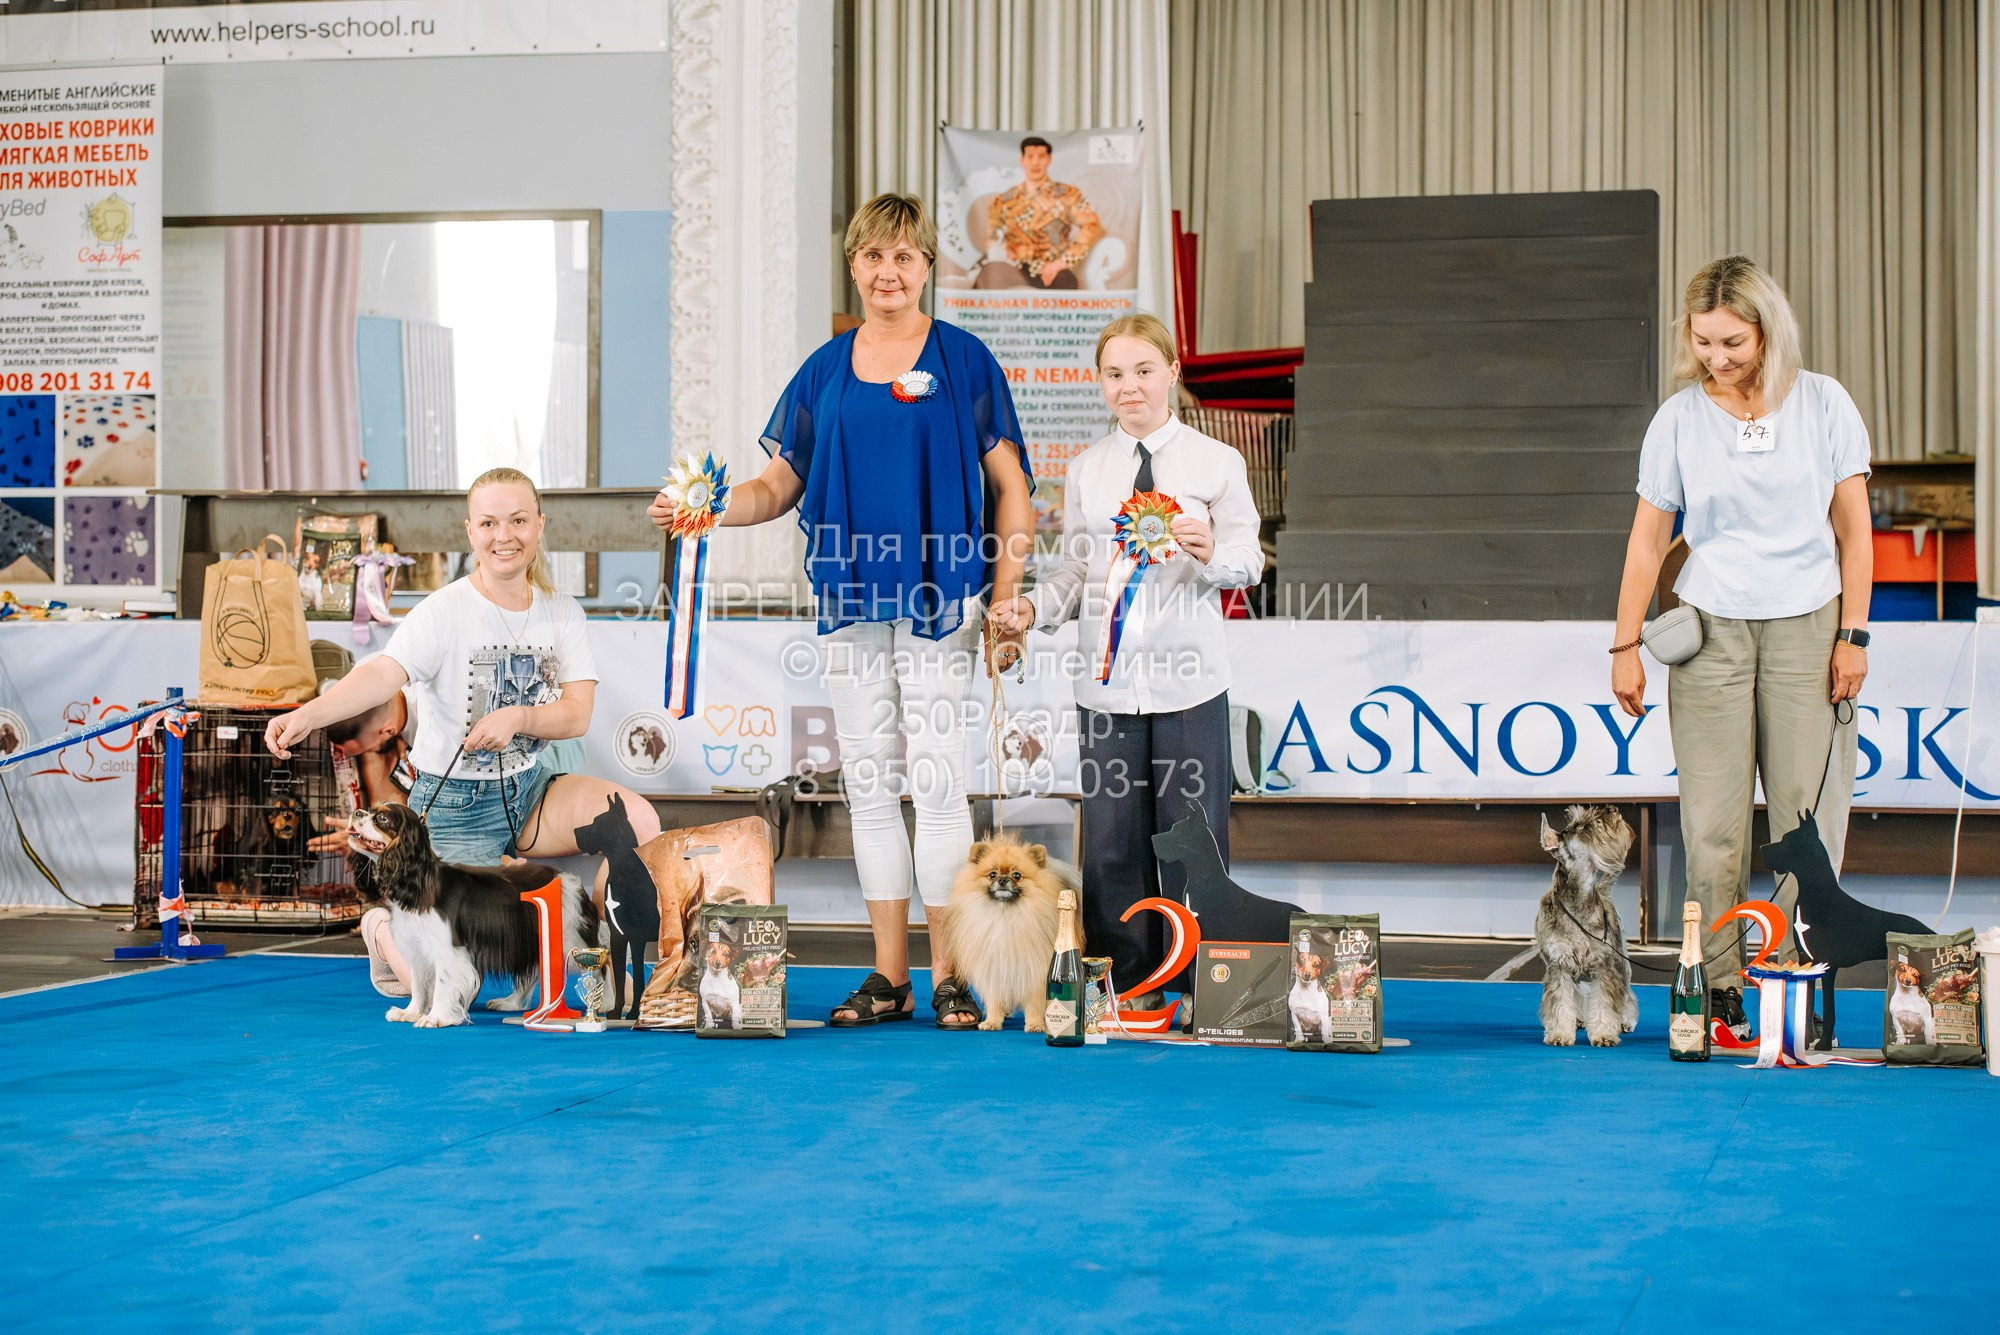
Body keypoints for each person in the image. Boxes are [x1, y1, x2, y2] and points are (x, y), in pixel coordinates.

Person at [650, 192, 1034, 1029]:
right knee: (869, 787)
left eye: (904, 255)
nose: (888, 271)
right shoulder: (824, 370)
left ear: (928, 265)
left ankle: (953, 977)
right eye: (872, 256)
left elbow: (1012, 491)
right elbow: (777, 486)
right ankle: (890, 978)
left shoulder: (967, 361)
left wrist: (1008, 598)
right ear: (854, 266)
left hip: (942, 596)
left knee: (935, 786)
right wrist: (706, 507)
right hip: (850, 597)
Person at [267, 467, 664, 995]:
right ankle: (383, 927)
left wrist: (519, 718)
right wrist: (309, 714)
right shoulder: (444, 611)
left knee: (636, 820)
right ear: (470, 531)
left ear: (540, 525)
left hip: (529, 790)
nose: (506, 535)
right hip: (453, 803)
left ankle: (602, 968)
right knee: (456, 986)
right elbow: (384, 674)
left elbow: (576, 714)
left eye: (519, 520)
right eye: (490, 522)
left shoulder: (562, 612)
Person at [1608, 255, 1872, 1030]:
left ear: (1768, 329)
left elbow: (1855, 536)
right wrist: (1624, 645)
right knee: (1714, 825)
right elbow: (1646, 543)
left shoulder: (1825, 404)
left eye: (1733, 342)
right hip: (1710, 633)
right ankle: (1717, 980)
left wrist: (1853, 634)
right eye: (1704, 343)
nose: (1717, 358)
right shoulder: (1679, 418)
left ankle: (1792, 980)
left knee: (1805, 826)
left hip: (1809, 626)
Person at [989, 312, 1264, 1012]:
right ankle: (1125, 987)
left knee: (1192, 838)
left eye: (1144, 370)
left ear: (1173, 372)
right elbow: (1075, 574)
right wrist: (1031, 610)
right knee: (1110, 842)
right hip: (1106, 689)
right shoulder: (1085, 471)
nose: (1129, 386)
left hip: (1191, 684)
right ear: (1100, 383)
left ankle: (1204, 985)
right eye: (1115, 374)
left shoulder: (1216, 462)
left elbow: (1248, 563)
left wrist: (1209, 554)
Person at [978, 136, 1104, 291]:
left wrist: (1062, 262)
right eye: (1030, 157)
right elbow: (991, 235)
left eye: (1041, 156)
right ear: (1022, 159)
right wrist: (1003, 254)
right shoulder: (1003, 200)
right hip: (1014, 267)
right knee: (989, 276)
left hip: (1053, 269)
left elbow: (1092, 227)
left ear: (1049, 159)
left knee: (1065, 284)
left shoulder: (1068, 194)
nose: (1035, 163)